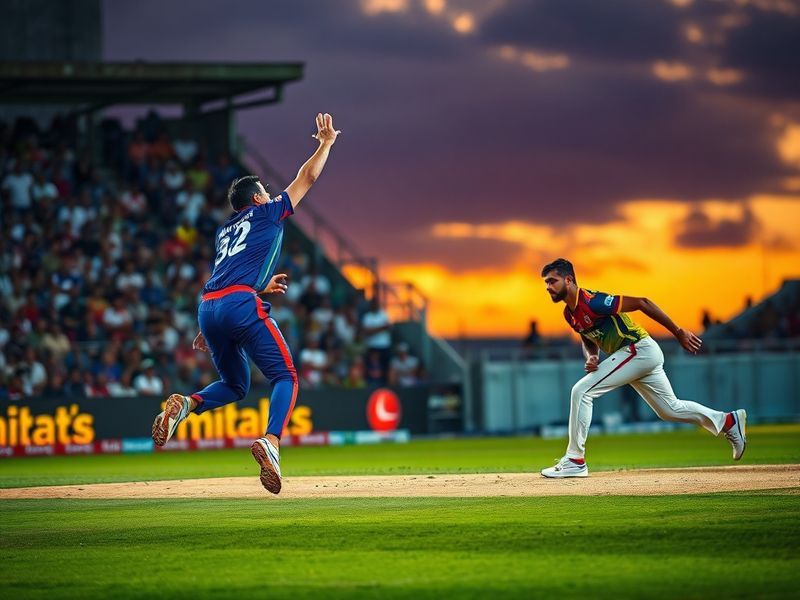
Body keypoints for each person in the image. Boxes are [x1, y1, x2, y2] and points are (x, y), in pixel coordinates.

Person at [151, 113, 340, 494]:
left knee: (236, 385)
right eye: (265, 191)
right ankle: (271, 441)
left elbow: (231, 270)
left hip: (209, 307)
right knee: (285, 376)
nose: (271, 195)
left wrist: (253, 290)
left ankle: (185, 405)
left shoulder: (225, 230)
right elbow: (308, 179)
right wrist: (326, 144)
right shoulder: (268, 212)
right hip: (238, 303)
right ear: (256, 198)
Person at [538, 258, 747, 478]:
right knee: (670, 409)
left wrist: (678, 332)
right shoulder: (570, 314)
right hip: (637, 355)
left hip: (638, 349)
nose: (548, 287)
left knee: (581, 392)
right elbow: (587, 336)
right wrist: (592, 356)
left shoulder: (593, 301)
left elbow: (642, 302)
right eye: (546, 283)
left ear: (569, 280)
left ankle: (575, 460)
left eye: (553, 281)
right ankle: (727, 421)